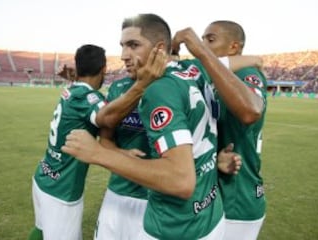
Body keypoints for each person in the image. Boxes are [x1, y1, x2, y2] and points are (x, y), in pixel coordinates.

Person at [62, 13, 263, 239]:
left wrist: (97, 154)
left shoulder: (170, 83)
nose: (124, 55)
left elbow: (180, 177)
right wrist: (115, 152)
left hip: (163, 200)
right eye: (122, 46)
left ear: (158, 49)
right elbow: (106, 134)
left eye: (133, 45)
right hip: (127, 194)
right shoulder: (126, 87)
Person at [28, 44, 167, 240]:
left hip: (44, 176)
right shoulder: (87, 98)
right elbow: (107, 118)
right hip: (62, 189)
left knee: (41, 230)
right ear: (103, 69)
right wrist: (142, 85)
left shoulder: (73, 90)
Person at [201, 20, 268, 240]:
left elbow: (250, 112)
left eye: (210, 39)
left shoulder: (246, 74)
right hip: (217, 193)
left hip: (237, 196)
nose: (203, 44)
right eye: (202, 39)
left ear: (233, 47)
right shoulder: (214, 78)